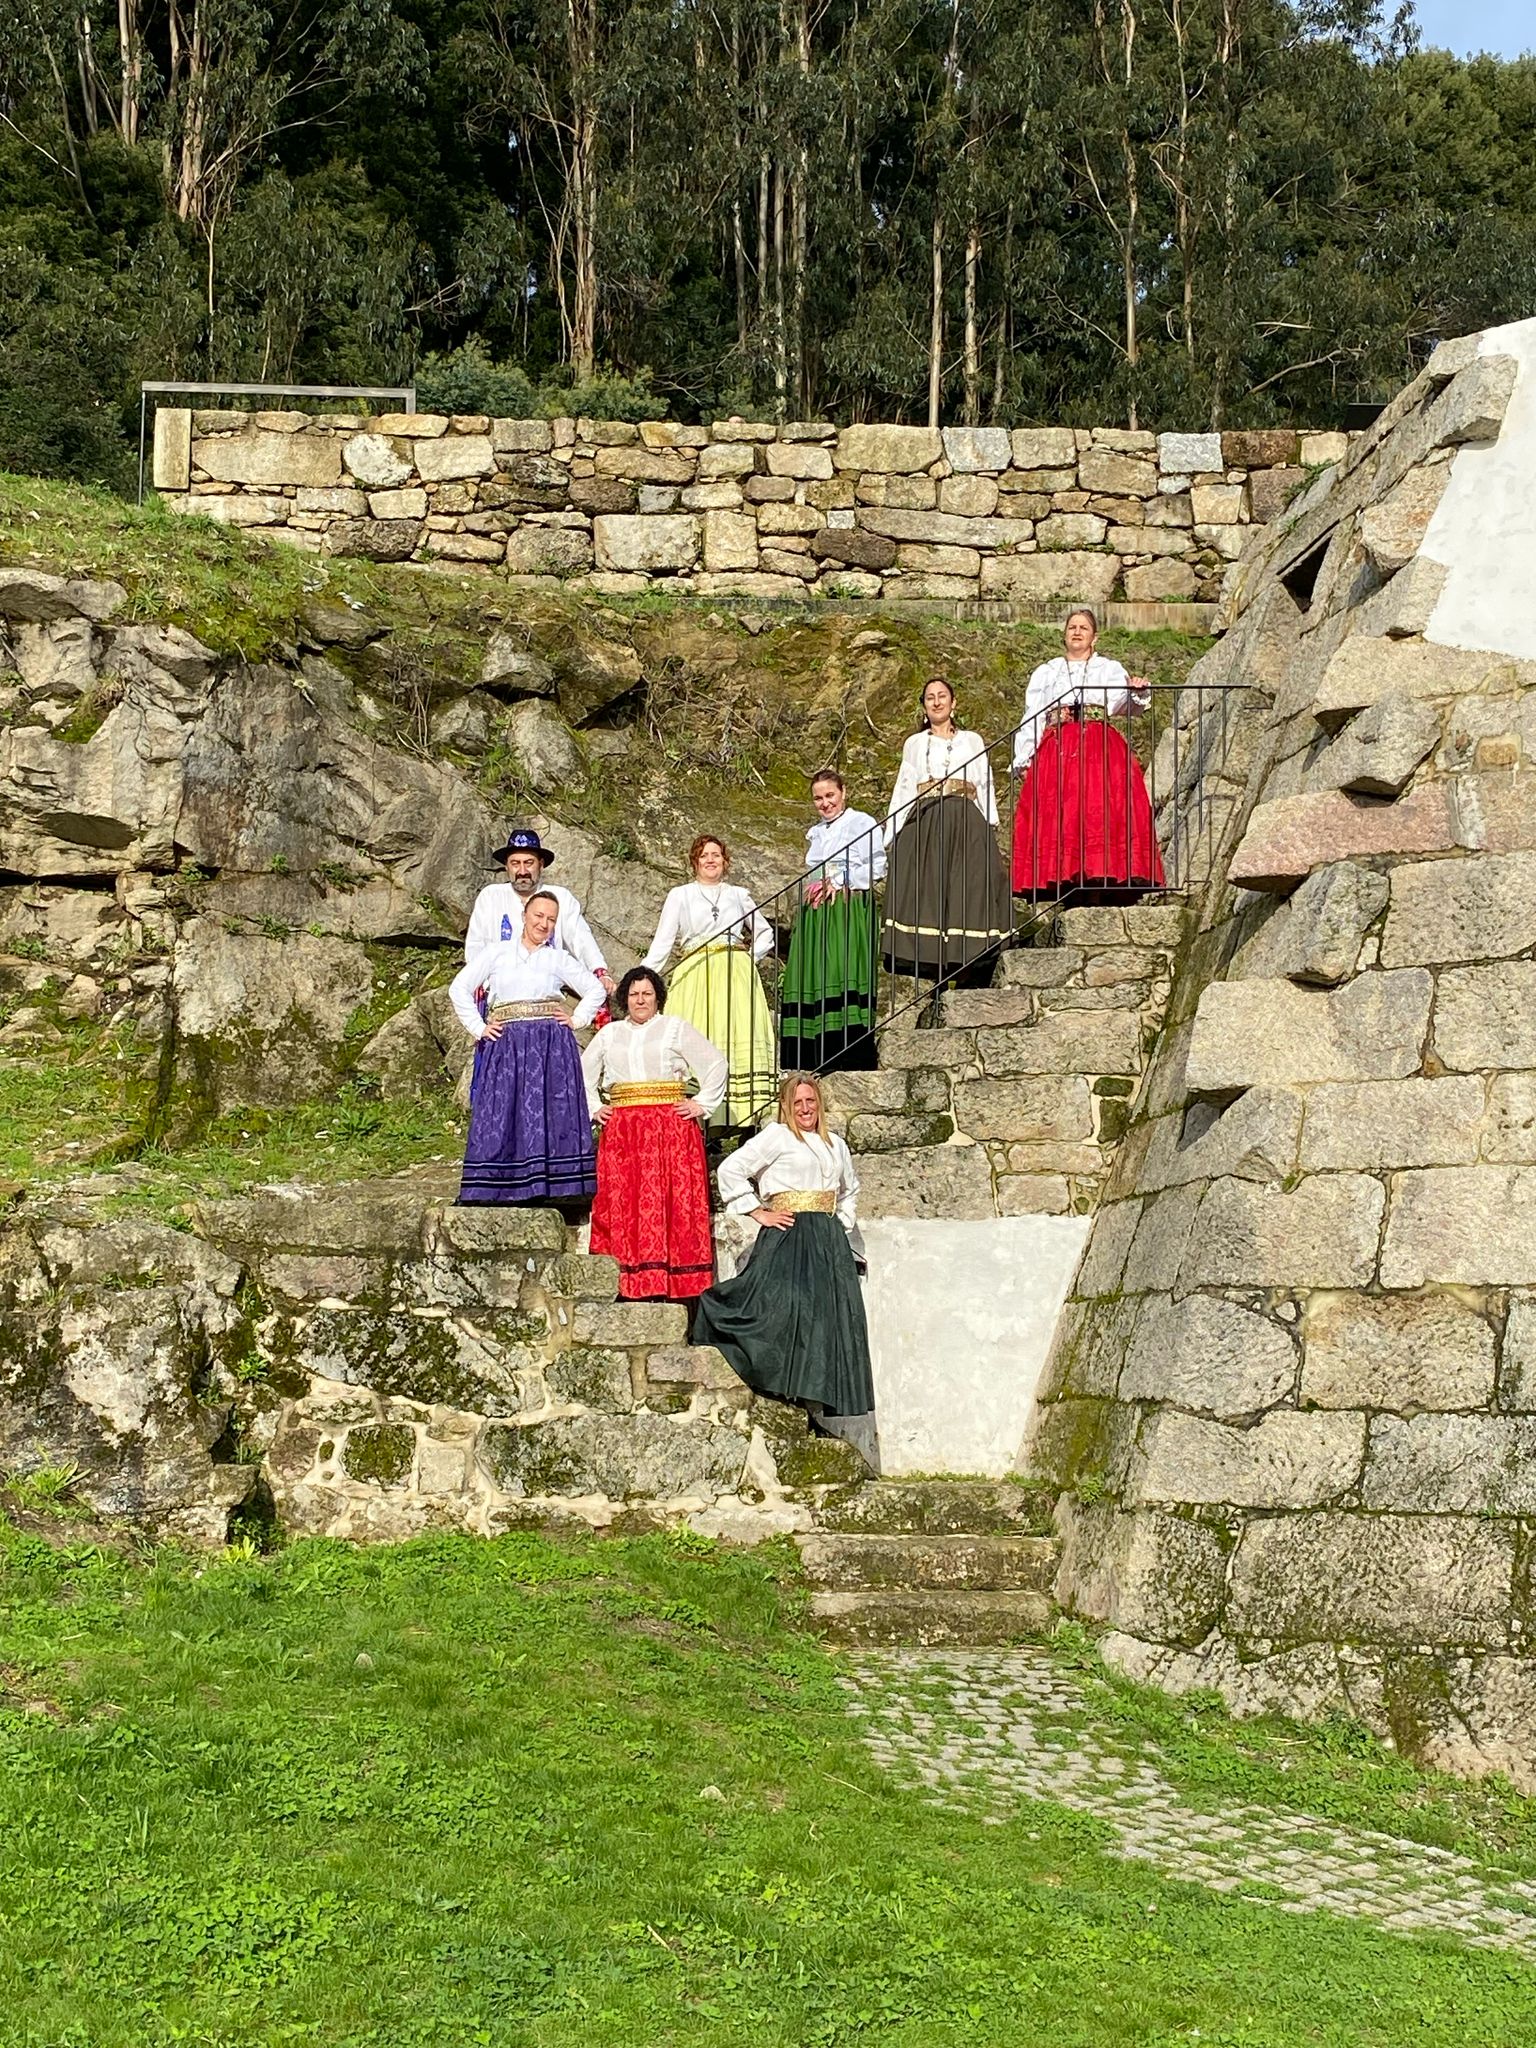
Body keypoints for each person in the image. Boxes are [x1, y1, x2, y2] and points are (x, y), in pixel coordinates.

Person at [693, 1073, 874, 1447]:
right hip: (788, 1234)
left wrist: (840, 1221)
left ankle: (807, 1409)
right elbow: (730, 1169)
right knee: (782, 1310)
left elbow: (850, 1190)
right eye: (798, 1103)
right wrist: (757, 1211)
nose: (805, 1109)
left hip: (827, 1241)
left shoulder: (837, 1145)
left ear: (819, 1104)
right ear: (787, 1107)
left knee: (822, 1321)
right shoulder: (776, 1136)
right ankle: (779, 1394)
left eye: (810, 1101)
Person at [449, 890, 603, 1205]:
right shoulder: (497, 953)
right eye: (538, 916)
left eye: (551, 919)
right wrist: (479, 1027)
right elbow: (459, 988)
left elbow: (595, 990)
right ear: (524, 916)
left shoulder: (557, 958)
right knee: (503, 1109)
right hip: (506, 1043)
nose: (544, 924)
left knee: (549, 1109)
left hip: (549, 1046)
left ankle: (554, 1187)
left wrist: (577, 1019)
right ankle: (496, 1186)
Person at [582, 967, 726, 1300]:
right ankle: (627, 1282)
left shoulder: (674, 1029)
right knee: (624, 1201)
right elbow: (582, 1075)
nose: (640, 1000)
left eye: (647, 993)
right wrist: (594, 1107)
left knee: (671, 1201)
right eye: (634, 994)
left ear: (658, 997)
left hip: (670, 1129)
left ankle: (674, 1284)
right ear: (625, 998)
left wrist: (701, 1103)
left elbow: (716, 1064)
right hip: (624, 1131)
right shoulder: (610, 1034)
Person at [1010, 608, 1166, 902]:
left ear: (1095, 638)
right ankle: (1064, 882)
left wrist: (1136, 690)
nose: (1077, 632)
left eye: (1083, 627)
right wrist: (1025, 756)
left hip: (1097, 748)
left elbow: (1125, 705)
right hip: (1058, 747)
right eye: (1072, 627)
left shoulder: (1108, 669)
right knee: (1063, 812)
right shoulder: (1048, 672)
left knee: (1097, 810)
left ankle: (1097, 881)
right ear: (1064, 635)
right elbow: (1033, 715)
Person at [882, 676, 1011, 981]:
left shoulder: (972, 740)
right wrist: (893, 830)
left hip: (964, 820)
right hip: (926, 820)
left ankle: (965, 958)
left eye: (942, 696)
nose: (937, 701)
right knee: (929, 886)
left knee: (964, 884)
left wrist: (988, 822)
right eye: (930, 697)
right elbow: (904, 786)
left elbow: (983, 781)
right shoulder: (914, 743)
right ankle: (932, 961)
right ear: (924, 706)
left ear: (954, 703)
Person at [643, 834, 776, 1126]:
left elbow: (765, 932)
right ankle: (703, 1113)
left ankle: (742, 1115)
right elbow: (663, 942)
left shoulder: (737, 894)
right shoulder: (680, 895)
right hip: (696, 972)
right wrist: (641, 977)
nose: (710, 860)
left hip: (734, 972)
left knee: (735, 1028)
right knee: (697, 1031)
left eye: (716, 855)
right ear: (695, 862)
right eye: (704, 855)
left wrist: (747, 959)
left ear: (725, 861)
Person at [780, 769, 885, 1073]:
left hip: (846, 906)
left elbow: (878, 866)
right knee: (813, 972)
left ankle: (847, 1051)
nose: (825, 803)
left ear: (843, 792)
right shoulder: (816, 832)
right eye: (818, 798)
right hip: (817, 909)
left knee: (842, 967)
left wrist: (839, 880)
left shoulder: (860, 823)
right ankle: (812, 1054)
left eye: (830, 795)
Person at [465, 828, 612, 988]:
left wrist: (598, 971)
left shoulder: (561, 897)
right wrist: (478, 980)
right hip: (498, 990)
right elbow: (476, 945)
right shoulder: (491, 897)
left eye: (529, 863)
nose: (522, 871)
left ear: (540, 865)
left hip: (551, 989)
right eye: (515, 864)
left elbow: (581, 938)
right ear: (506, 866)